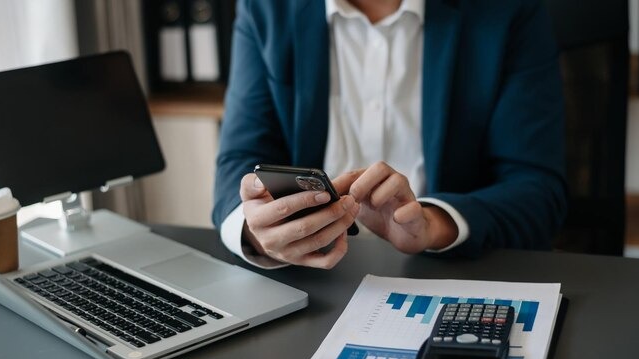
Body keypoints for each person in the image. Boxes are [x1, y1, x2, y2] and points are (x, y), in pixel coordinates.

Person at [212, 0, 567, 269]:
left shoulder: (508, 11)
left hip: (449, 272)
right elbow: (238, 162)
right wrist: (256, 231)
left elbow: (537, 186)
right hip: (309, 280)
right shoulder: (266, 8)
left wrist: (434, 222)